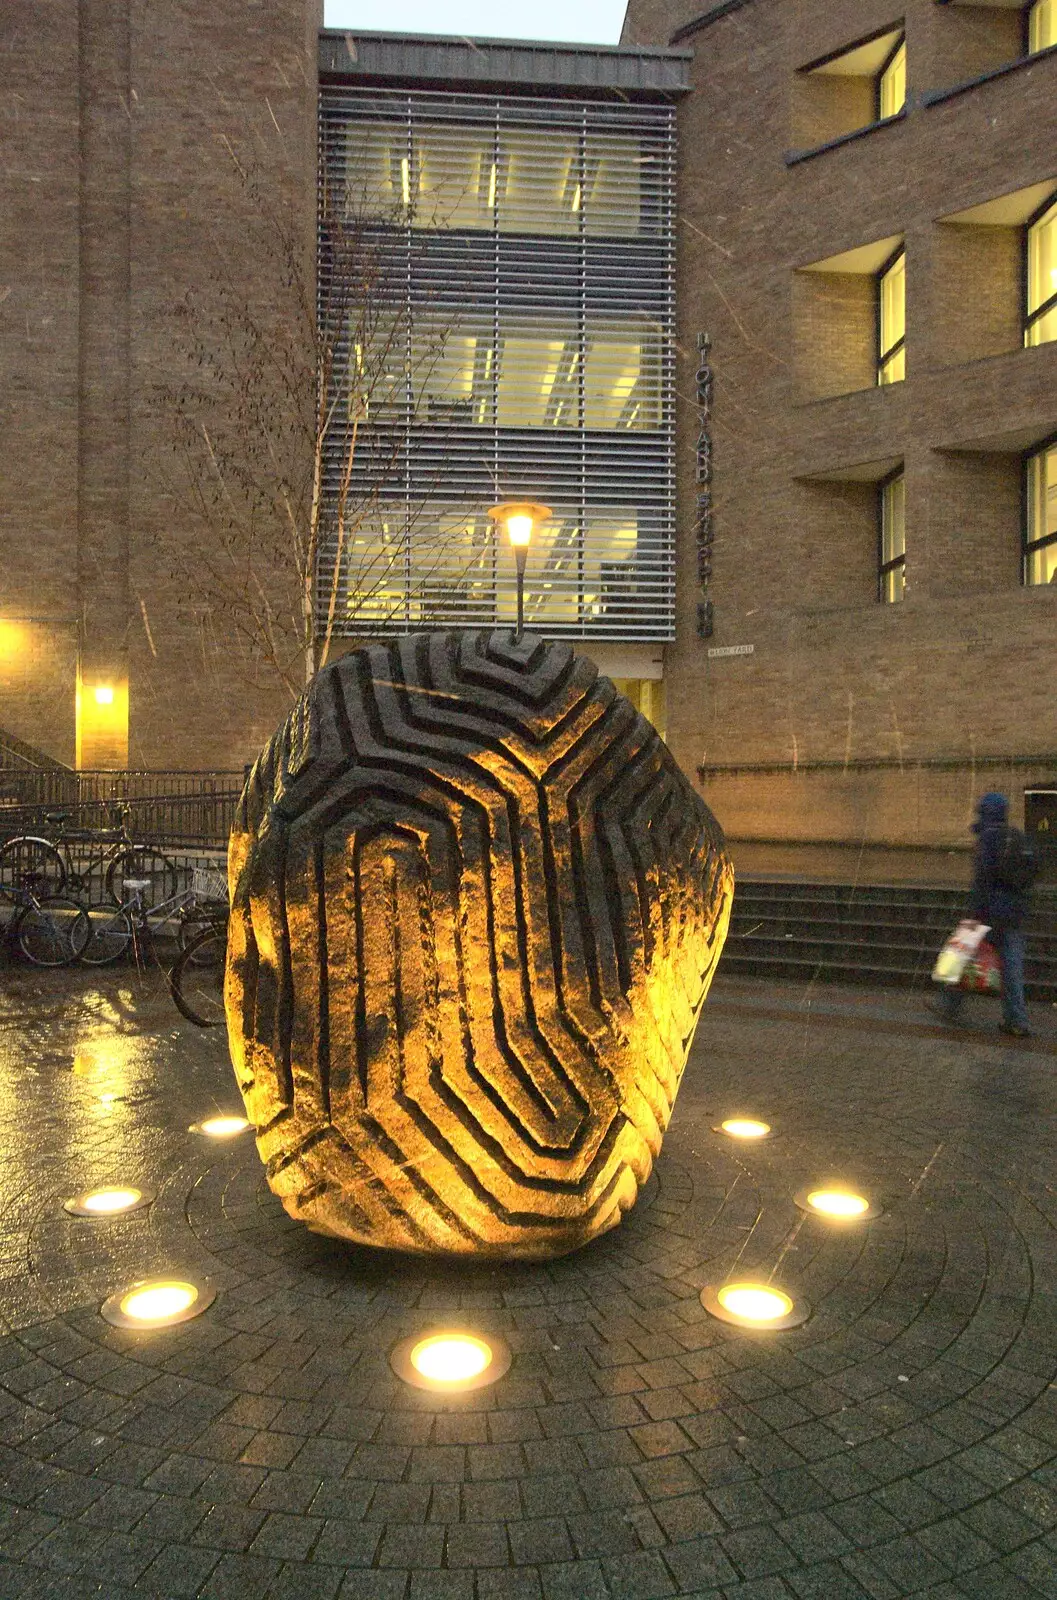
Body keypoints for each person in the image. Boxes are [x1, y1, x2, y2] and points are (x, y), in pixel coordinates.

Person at [939, 792, 1032, 1037]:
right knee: (1012, 969)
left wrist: (974, 916)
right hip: (1013, 915)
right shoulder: (1016, 837)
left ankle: (949, 1005)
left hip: (988, 913)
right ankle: (1017, 1020)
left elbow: (982, 881)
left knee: (959, 956)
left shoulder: (987, 839)